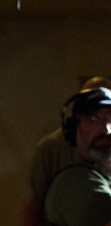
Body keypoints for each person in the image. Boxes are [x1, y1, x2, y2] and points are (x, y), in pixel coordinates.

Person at [20, 77, 111, 226]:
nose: (106, 130)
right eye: (94, 120)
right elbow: (31, 208)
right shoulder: (51, 150)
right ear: (73, 126)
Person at [44, 87, 111, 226]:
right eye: (93, 120)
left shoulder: (101, 175)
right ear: (72, 130)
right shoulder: (77, 184)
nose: (106, 129)